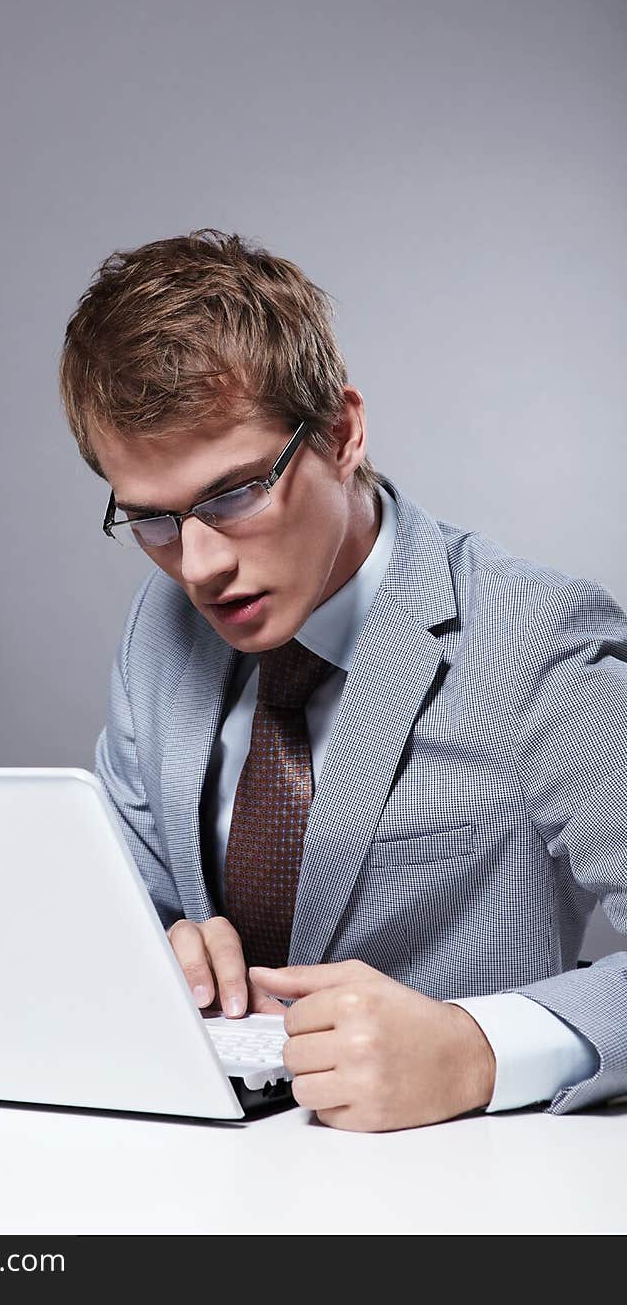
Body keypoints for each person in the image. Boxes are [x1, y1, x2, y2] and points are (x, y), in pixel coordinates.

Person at [57, 228, 627, 1132]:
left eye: (235, 493)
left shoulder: (531, 638)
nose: (197, 566)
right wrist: (158, 949)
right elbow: (129, 904)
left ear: (342, 432)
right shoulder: (159, 632)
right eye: (152, 520)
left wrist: (480, 1048)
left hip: (462, 1197)